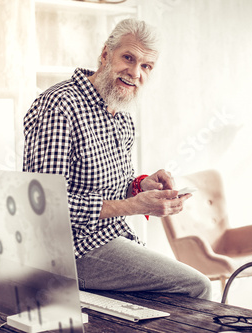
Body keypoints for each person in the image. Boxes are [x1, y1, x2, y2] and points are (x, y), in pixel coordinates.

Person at [23, 18, 212, 300]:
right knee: (198, 286)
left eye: (146, 66)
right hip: (69, 251)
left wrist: (140, 187)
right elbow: (44, 206)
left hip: (110, 238)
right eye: (128, 58)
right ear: (105, 54)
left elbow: (111, 188)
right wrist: (132, 205)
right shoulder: (60, 105)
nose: (135, 72)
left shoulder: (122, 116)